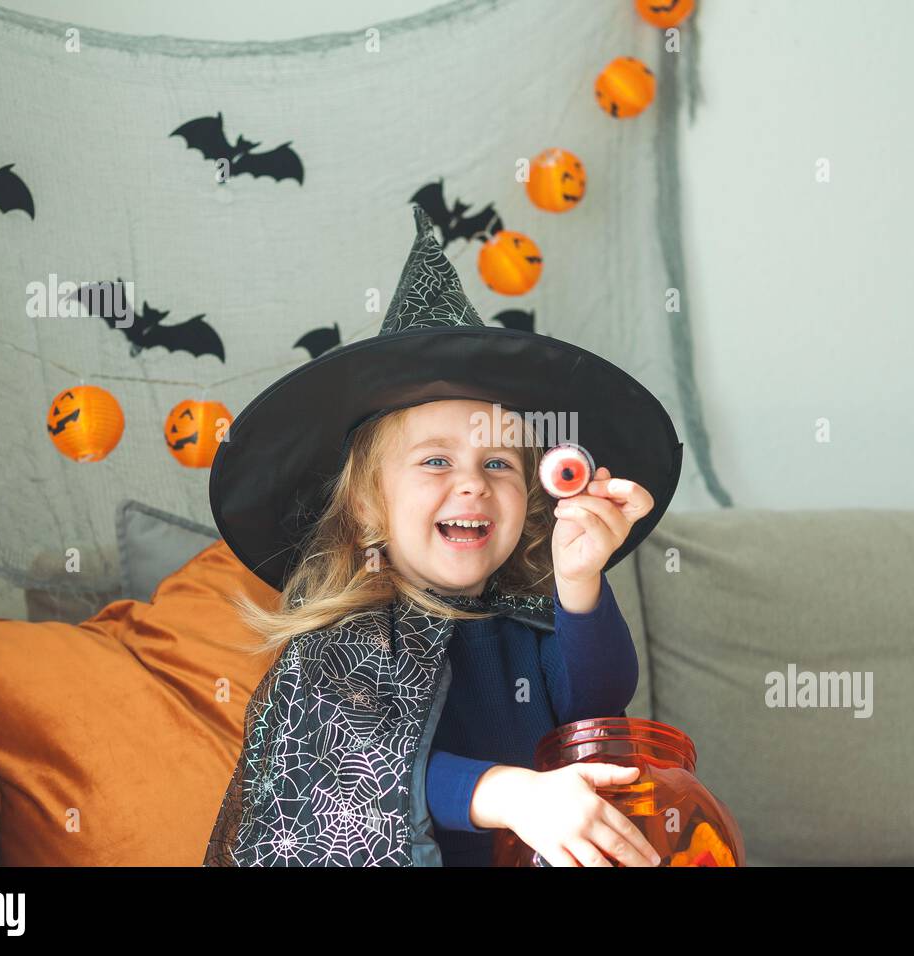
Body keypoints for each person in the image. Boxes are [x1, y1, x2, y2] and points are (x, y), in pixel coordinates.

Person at [204, 205, 684, 867]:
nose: (472, 484)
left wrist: (579, 582)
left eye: (497, 464)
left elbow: (597, 702)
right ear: (370, 509)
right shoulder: (343, 642)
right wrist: (512, 794)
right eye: (435, 461)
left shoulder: (524, 627)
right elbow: (355, 767)